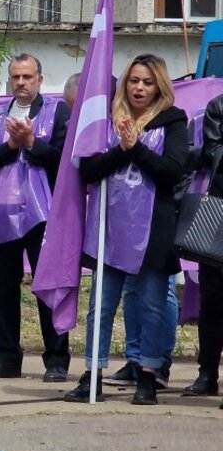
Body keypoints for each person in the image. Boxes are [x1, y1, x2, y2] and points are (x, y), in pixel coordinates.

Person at [62, 54, 188, 405]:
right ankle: (93, 374)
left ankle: (147, 373)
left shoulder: (173, 121)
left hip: (152, 231)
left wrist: (137, 150)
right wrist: (122, 148)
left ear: (159, 86)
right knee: (100, 307)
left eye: (147, 82)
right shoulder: (105, 121)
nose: (139, 88)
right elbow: (87, 170)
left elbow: (172, 171)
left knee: (150, 306)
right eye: (134, 80)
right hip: (107, 230)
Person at [0, 53, 71, 381]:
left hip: (45, 213)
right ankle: (8, 358)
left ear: (40, 79)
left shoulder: (58, 112)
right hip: (1, 214)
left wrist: (31, 143)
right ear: (9, 80)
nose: (22, 83)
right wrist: (11, 146)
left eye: (28, 77)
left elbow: (65, 160)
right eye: (16, 77)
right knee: (3, 289)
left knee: (48, 286)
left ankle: (56, 360)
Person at [183, 95, 223, 402]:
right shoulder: (218, 106)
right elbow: (214, 151)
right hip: (219, 210)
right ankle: (207, 372)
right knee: (212, 299)